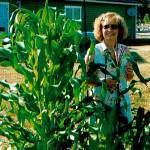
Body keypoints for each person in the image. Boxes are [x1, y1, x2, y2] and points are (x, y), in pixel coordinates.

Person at [84, 12, 134, 124]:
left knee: (122, 137)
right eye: (106, 26)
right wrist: (103, 82)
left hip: (122, 102)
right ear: (100, 29)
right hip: (101, 103)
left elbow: (129, 78)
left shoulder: (125, 50)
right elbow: (86, 80)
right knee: (103, 138)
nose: (110, 30)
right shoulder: (93, 51)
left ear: (119, 30)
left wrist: (130, 74)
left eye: (114, 26)